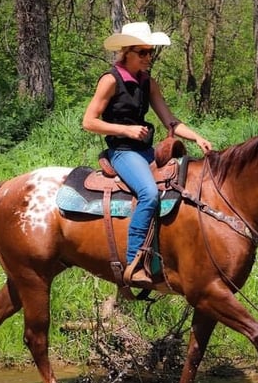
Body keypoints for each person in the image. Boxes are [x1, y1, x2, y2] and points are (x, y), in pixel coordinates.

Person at [82, 22, 213, 287]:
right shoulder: (110, 80)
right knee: (149, 194)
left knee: (183, 187)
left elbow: (170, 121)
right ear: (126, 52)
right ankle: (135, 262)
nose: (147, 58)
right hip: (122, 151)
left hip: (145, 150)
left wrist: (197, 137)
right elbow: (89, 121)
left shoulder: (147, 82)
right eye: (142, 52)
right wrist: (126, 130)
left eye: (150, 53)